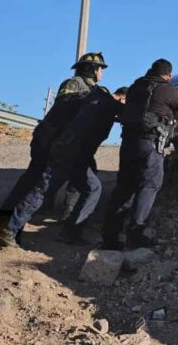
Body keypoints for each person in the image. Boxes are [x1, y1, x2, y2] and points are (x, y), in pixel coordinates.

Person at [0, 52, 108, 249]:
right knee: (32, 186)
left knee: (85, 182)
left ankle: (62, 226)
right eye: (100, 69)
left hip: (66, 146)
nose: (101, 73)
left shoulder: (93, 90)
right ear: (92, 69)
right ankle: (3, 228)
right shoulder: (74, 84)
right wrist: (91, 99)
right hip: (48, 144)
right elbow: (65, 103)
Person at [102, 58, 178, 249]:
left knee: (124, 188)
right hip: (149, 145)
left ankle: (110, 238)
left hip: (128, 144)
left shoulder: (135, 87)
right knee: (150, 184)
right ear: (168, 76)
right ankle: (136, 235)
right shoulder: (167, 90)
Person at [49, 85, 127, 245]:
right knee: (93, 188)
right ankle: (70, 231)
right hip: (76, 152)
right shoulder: (108, 104)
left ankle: (67, 218)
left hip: (69, 148)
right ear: (123, 99)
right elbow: (128, 113)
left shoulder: (97, 100)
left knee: (73, 182)